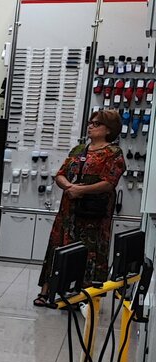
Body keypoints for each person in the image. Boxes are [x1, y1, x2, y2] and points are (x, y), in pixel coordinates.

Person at [34, 108, 126, 306]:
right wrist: (70, 187)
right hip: (69, 210)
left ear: (109, 129)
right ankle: (47, 290)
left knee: (89, 251)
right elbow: (60, 174)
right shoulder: (78, 150)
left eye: (96, 124)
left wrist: (81, 190)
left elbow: (109, 183)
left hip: (94, 213)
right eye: (90, 123)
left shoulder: (113, 153)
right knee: (57, 245)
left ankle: (82, 296)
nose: (90, 127)